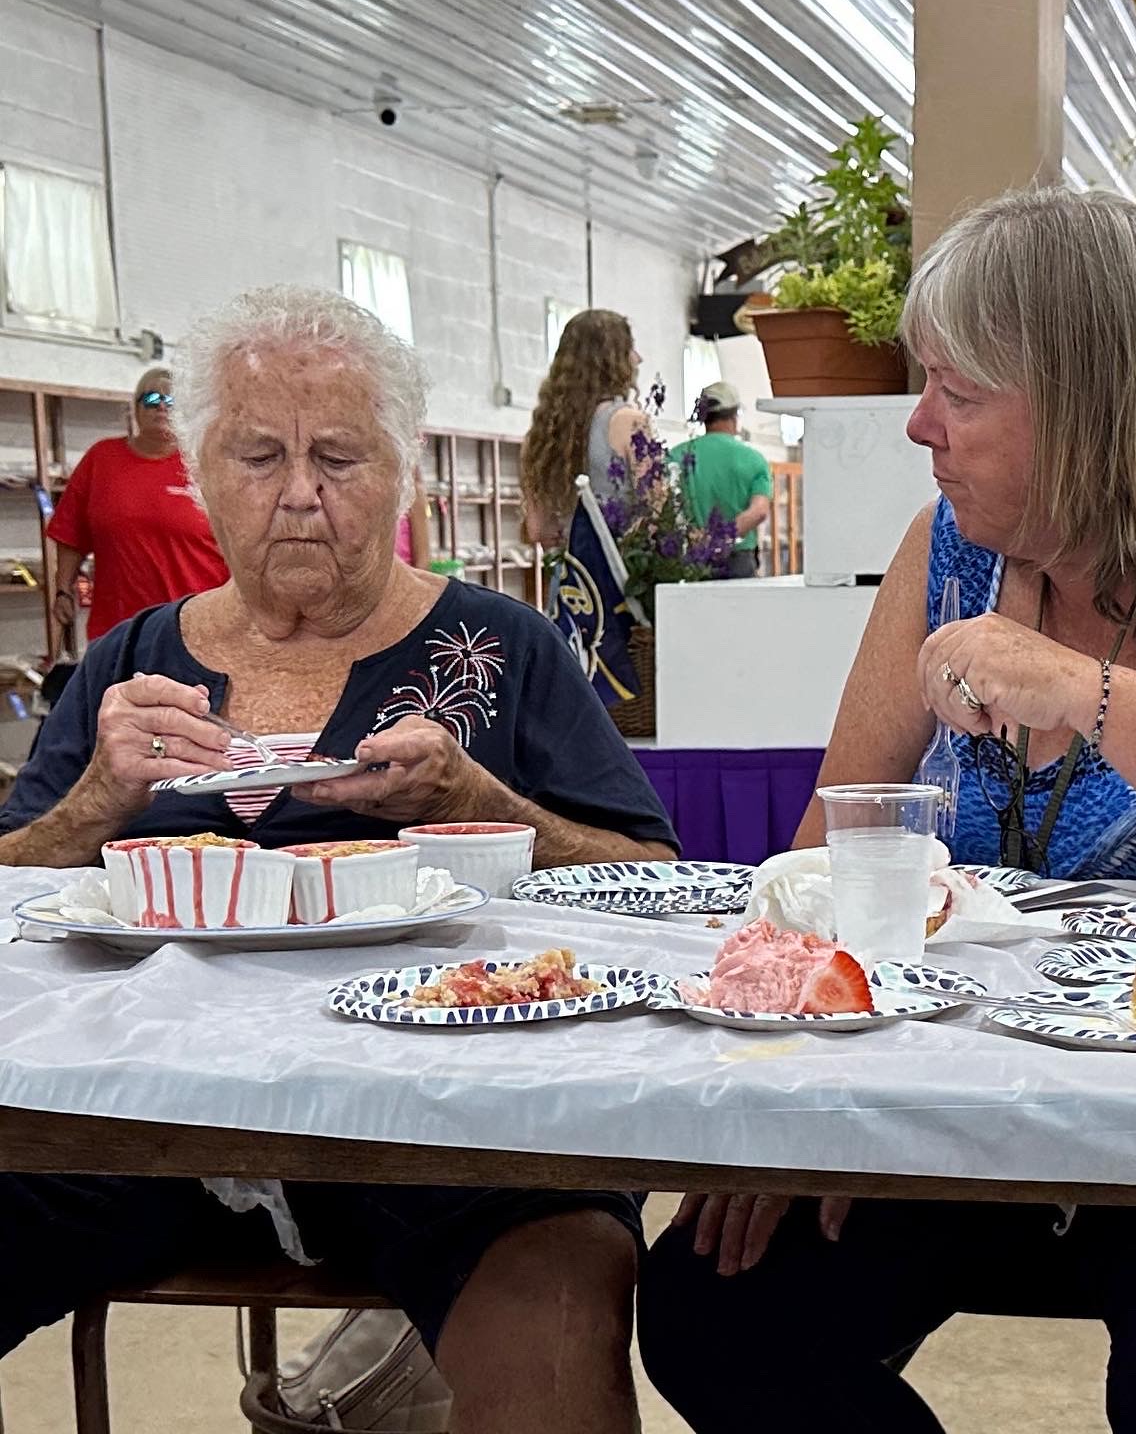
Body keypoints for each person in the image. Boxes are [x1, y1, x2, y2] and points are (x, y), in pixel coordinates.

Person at [639, 188, 1136, 1434]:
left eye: (959, 390)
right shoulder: (945, 544)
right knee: (717, 1306)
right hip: (968, 1087)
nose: (918, 425)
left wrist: (1078, 687)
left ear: (1088, 402)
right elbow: (830, 847)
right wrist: (779, 1107)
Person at [0, 285, 679, 1434]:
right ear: (204, 476)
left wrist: (478, 797)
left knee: (556, 1308)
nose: (301, 494)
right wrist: (97, 803)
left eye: (340, 457)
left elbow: (654, 878)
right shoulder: (129, 664)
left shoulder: (500, 649)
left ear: (401, 473)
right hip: (136, 1119)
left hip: (453, 1122)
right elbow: (18, 875)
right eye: (261, 455)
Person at [47, 365, 229, 641]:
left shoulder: (206, 465)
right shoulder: (101, 459)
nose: (161, 407)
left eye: (171, 401)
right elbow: (70, 534)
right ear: (135, 408)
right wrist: (63, 589)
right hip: (118, 632)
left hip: (196, 630)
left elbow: (241, 543)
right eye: (151, 399)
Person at [520, 308, 646, 549]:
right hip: (622, 574)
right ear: (612, 360)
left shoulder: (541, 434)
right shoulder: (628, 421)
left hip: (572, 577)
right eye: (630, 349)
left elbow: (537, 530)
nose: (638, 358)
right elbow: (656, 509)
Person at [672, 380, 772, 578]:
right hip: (738, 562)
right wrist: (721, 537)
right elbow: (759, 511)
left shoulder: (677, 456)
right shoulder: (753, 459)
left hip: (691, 559)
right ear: (734, 417)